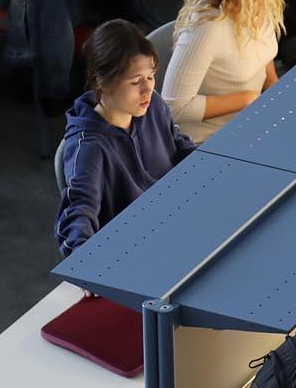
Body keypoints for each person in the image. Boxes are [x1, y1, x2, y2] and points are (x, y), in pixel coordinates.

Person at [56, 19, 196, 256]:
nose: (147, 89)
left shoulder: (153, 105)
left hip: (177, 224)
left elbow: (178, 146)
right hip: (137, 250)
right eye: (135, 82)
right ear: (102, 81)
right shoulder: (89, 147)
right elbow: (78, 211)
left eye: (151, 77)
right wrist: (84, 258)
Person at [162, 0, 290, 142]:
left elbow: (262, 53)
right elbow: (174, 107)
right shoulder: (208, 27)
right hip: (209, 142)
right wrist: (246, 99)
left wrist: (273, 86)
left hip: (250, 122)